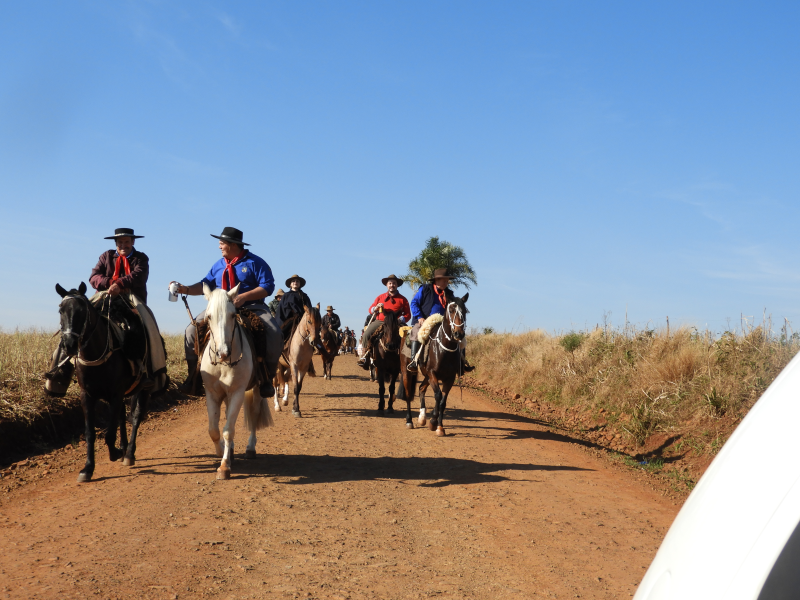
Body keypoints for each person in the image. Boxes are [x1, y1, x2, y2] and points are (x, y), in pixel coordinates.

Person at [170, 227, 281, 396]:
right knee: (191, 330)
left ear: (233, 245)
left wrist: (243, 297)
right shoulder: (218, 265)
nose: (219, 247)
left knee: (273, 331)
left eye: (222, 243)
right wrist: (184, 289)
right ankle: (193, 377)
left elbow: (267, 286)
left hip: (251, 307)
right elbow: (204, 285)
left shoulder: (255, 262)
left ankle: (266, 377)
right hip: (220, 308)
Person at [88, 227, 154, 389]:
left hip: (131, 300)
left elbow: (139, 275)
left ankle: (143, 368)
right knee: (81, 320)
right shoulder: (106, 256)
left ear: (133, 242)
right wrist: (111, 283)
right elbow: (94, 277)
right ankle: (63, 369)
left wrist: (120, 284)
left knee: (139, 326)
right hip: (106, 297)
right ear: (116, 243)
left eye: (126, 242)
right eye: (120, 242)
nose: (123, 245)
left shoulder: (141, 258)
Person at [407, 267, 474, 373]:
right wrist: (419, 317)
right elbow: (414, 303)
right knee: (416, 332)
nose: (446, 283)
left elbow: (454, 307)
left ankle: (461, 364)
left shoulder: (449, 294)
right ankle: (414, 361)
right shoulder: (425, 289)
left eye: (447, 280)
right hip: (425, 321)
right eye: (444, 280)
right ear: (436, 280)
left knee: (461, 337)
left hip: (443, 322)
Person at [357, 274, 411, 369]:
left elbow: (408, 314)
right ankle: (364, 357)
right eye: (390, 283)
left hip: (396, 323)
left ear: (397, 285)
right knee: (366, 334)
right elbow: (370, 309)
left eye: (394, 283)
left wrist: (401, 319)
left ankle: (407, 359)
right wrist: (375, 308)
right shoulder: (380, 297)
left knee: (408, 336)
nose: (392, 285)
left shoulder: (403, 299)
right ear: (387, 285)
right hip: (380, 321)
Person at [277, 274, 313, 343]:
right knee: (280, 334)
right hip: (289, 319)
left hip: (302, 320)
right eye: (293, 281)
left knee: (316, 333)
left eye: (297, 281)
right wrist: (291, 312)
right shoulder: (286, 295)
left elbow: (309, 309)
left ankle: (320, 349)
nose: (295, 282)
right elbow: (281, 310)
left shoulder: (304, 296)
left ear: (300, 284)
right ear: (290, 284)